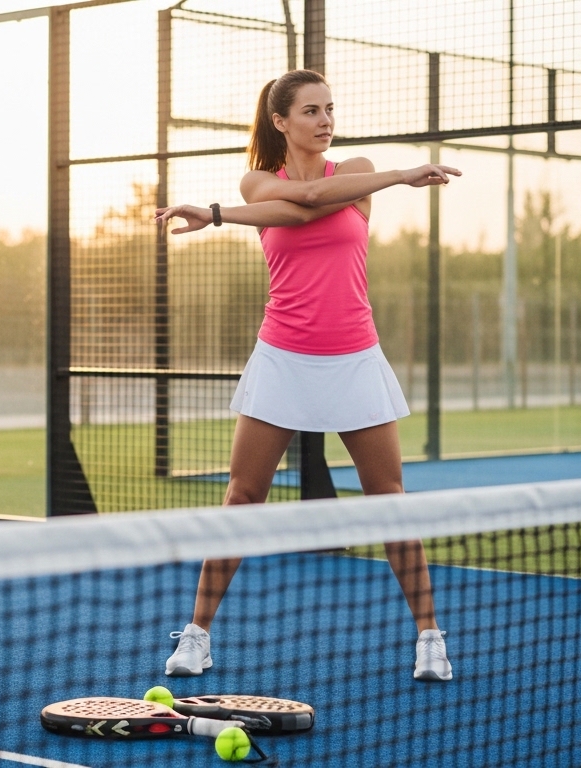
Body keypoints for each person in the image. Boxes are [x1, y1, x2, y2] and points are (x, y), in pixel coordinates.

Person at [154, 69, 458, 683]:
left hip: (354, 356)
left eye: (329, 109)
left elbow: (323, 199)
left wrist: (217, 215)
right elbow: (300, 210)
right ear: (280, 122)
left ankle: (429, 638)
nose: (325, 120)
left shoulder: (356, 171)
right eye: (311, 111)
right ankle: (198, 634)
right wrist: (403, 175)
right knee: (242, 497)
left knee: (389, 501)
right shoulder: (258, 182)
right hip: (282, 357)